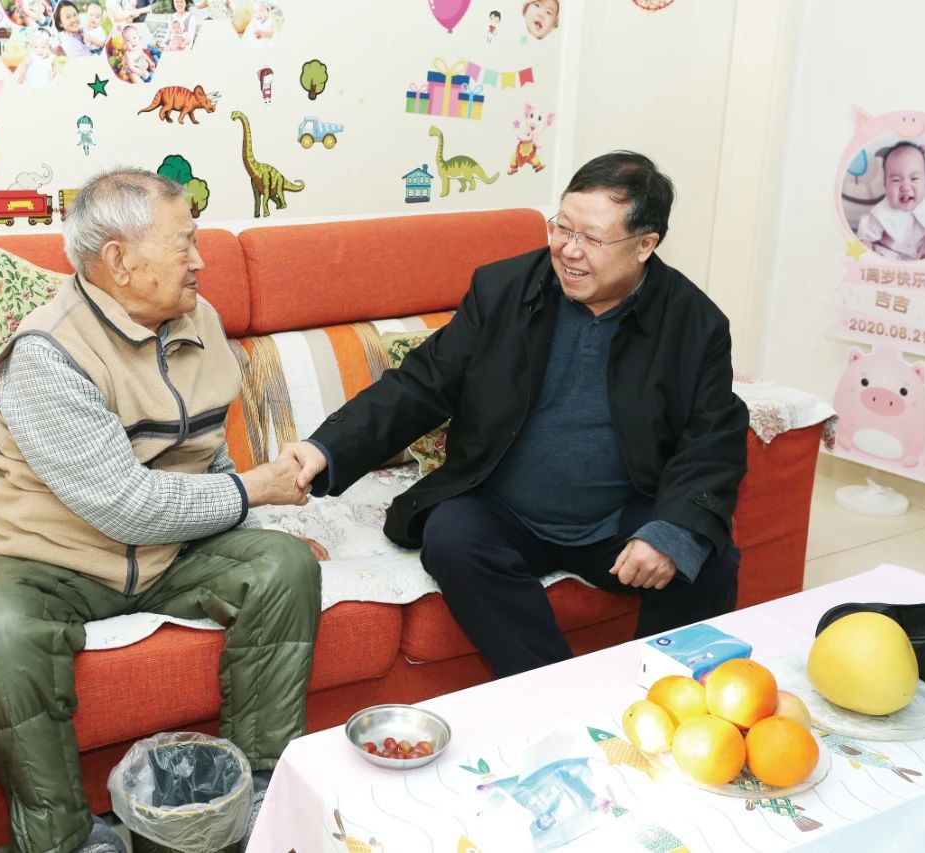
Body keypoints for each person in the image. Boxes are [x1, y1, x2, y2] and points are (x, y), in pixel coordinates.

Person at [0, 167, 326, 853]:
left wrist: (250, 522)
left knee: (283, 565)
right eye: (184, 244)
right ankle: (64, 838)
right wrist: (256, 489)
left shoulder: (199, 319)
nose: (200, 260)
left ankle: (262, 791)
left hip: (169, 551)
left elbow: (206, 450)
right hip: (51, 561)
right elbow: (124, 506)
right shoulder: (47, 353)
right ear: (119, 260)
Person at [282, 151, 748, 679]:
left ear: (645, 245)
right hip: (504, 508)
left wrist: (670, 531)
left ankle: (667, 695)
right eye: (562, 227)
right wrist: (327, 449)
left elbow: (713, 437)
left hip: (618, 520)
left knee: (704, 554)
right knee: (452, 537)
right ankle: (554, 694)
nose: (569, 250)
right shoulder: (503, 289)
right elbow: (423, 383)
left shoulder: (695, 324)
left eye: (592, 239)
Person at [856, 141, 925, 262]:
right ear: (885, 185)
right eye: (896, 180)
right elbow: (866, 239)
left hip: (921, 253)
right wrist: (867, 260)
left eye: (914, 178)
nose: (905, 187)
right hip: (890, 256)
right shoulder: (880, 213)